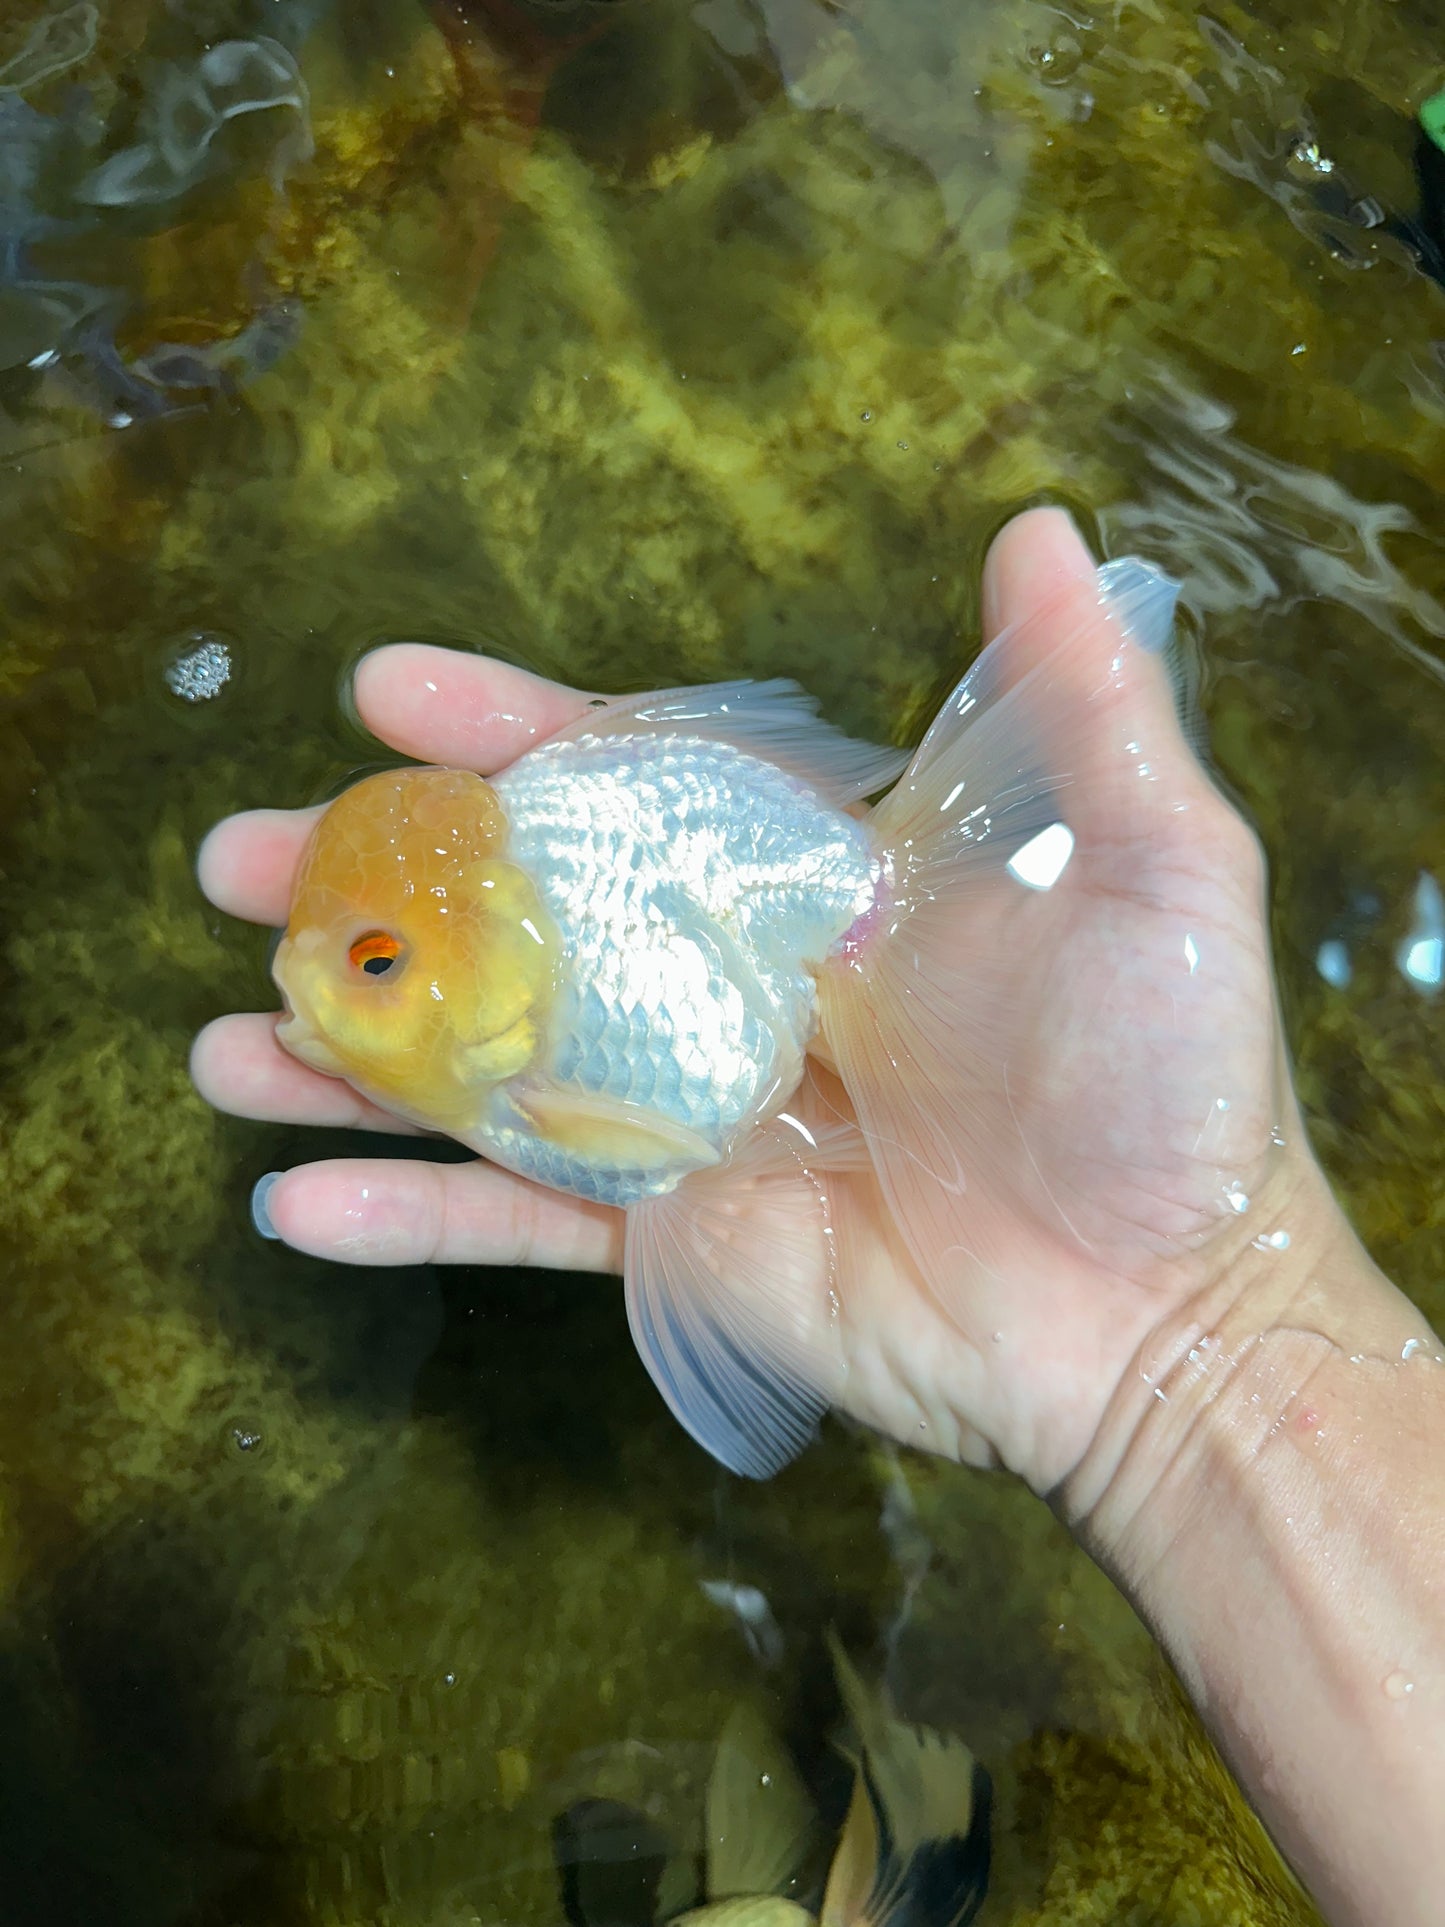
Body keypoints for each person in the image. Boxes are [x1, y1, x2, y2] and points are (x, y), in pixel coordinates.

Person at [191, 507, 1445, 1927]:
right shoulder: (504, 989)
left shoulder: (564, 975)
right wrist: (1202, 1342)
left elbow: (659, 1150)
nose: (323, 988)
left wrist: (1195, 1327)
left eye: (369, 962)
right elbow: (663, 1158)